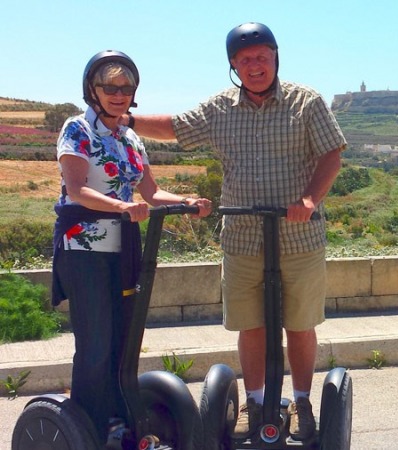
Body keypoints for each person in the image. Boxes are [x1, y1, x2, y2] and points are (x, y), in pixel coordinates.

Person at [124, 22, 346, 440]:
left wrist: (309, 201)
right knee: (251, 325)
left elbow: (331, 155)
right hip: (243, 238)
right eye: (245, 60)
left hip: (298, 237)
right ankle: (256, 401)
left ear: (276, 57)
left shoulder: (306, 102)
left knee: (300, 325)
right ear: (233, 66)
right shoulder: (220, 108)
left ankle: (300, 402)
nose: (255, 66)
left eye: (262, 57)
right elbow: (175, 127)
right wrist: (126, 117)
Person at [51, 50, 212, 442]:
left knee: (124, 339)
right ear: (94, 89)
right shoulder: (77, 129)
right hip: (83, 249)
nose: (118, 94)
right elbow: (77, 189)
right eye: (110, 86)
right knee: (97, 342)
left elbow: (151, 192)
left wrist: (186, 202)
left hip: (124, 249)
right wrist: (122, 206)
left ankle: (120, 418)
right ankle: (91, 425)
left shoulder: (131, 137)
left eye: (126, 87)